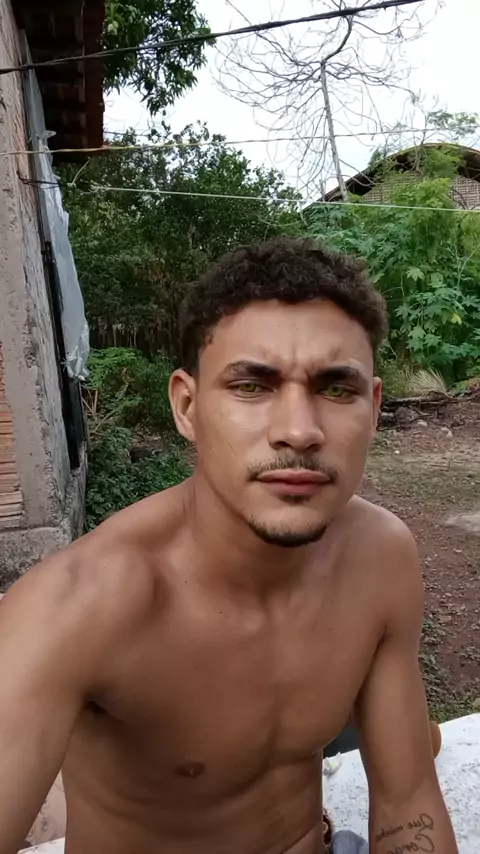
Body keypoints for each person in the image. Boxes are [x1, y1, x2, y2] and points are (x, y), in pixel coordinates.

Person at [0, 237, 457, 854]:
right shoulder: (77, 606)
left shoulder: (379, 558)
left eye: (335, 389)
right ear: (187, 407)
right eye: (252, 386)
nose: (299, 431)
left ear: (374, 409)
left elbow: (408, 802)